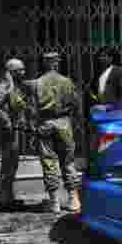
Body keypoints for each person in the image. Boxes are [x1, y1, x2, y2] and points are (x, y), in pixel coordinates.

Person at [25, 52, 82, 214]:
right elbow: (76, 104)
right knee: (68, 160)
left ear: (44, 64)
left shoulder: (37, 83)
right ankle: (73, 198)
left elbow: (31, 108)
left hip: (45, 123)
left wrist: (32, 126)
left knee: (48, 161)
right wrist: (75, 122)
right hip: (64, 123)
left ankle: (54, 201)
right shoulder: (67, 82)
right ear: (56, 64)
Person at [0, 55, 33, 209]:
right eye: (20, 70)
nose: (23, 72)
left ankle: (8, 196)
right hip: (7, 132)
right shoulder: (5, 86)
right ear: (12, 71)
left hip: (14, 130)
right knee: (8, 164)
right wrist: (6, 120)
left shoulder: (14, 86)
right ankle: (4, 199)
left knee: (12, 164)